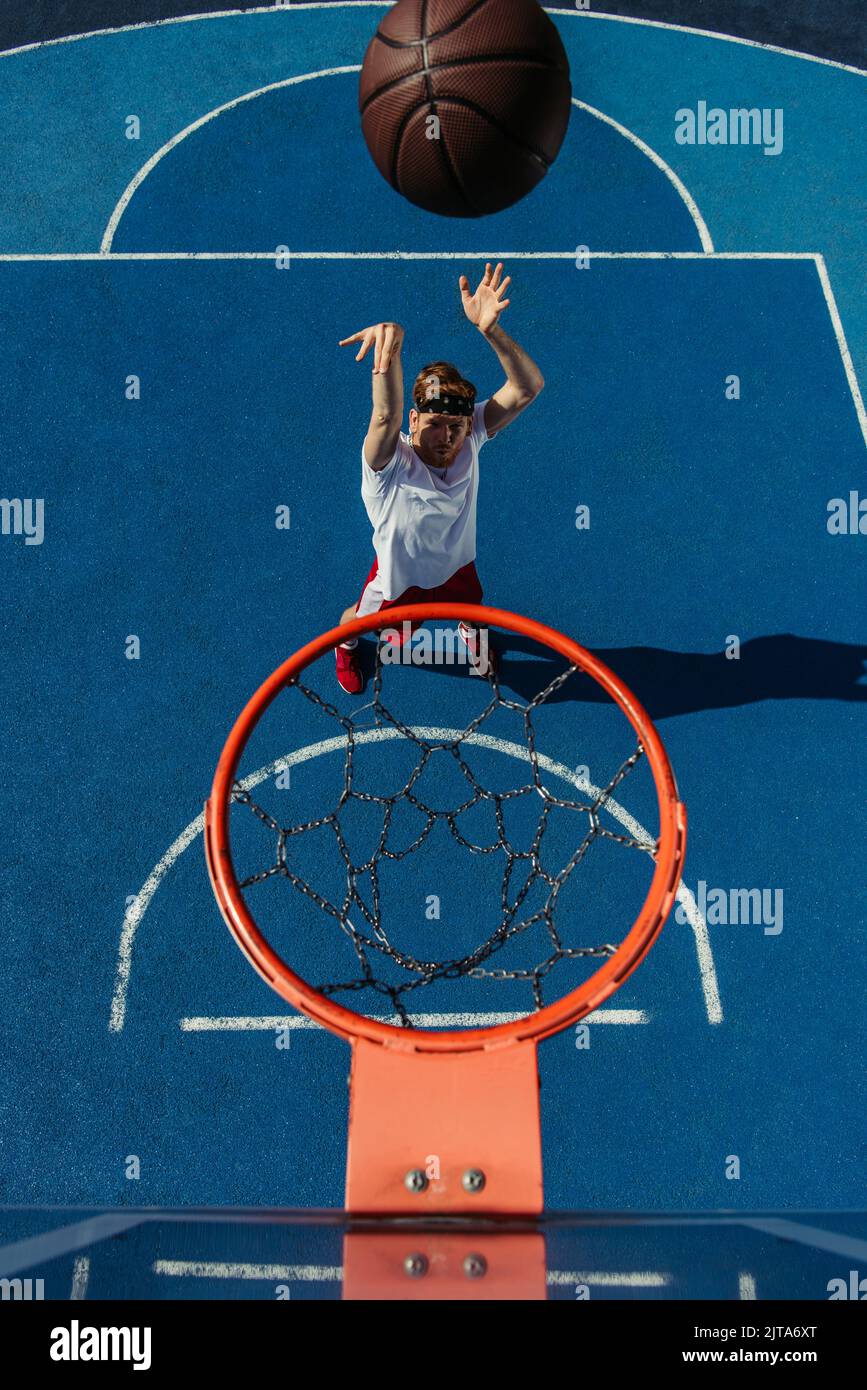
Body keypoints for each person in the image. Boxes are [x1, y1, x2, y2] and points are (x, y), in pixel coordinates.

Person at [336, 263, 544, 693]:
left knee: (471, 608)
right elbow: (384, 415)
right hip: (399, 581)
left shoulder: (471, 437)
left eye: (455, 425)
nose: (446, 436)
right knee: (368, 624)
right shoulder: (388, 466)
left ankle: (470, 631)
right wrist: (389, 354)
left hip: (456, 568)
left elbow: (527, 387)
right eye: (434, 423)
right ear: (413, 420)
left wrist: (492, 332)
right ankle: (348, 647)